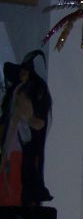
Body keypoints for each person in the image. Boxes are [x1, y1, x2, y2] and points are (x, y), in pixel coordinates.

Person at [1, 50, 52, 206]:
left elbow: (37, 124)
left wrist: (26, 118)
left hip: (19, 154)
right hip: (11, 153)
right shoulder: (16, 97)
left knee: (14, 193)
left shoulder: (33, 93)